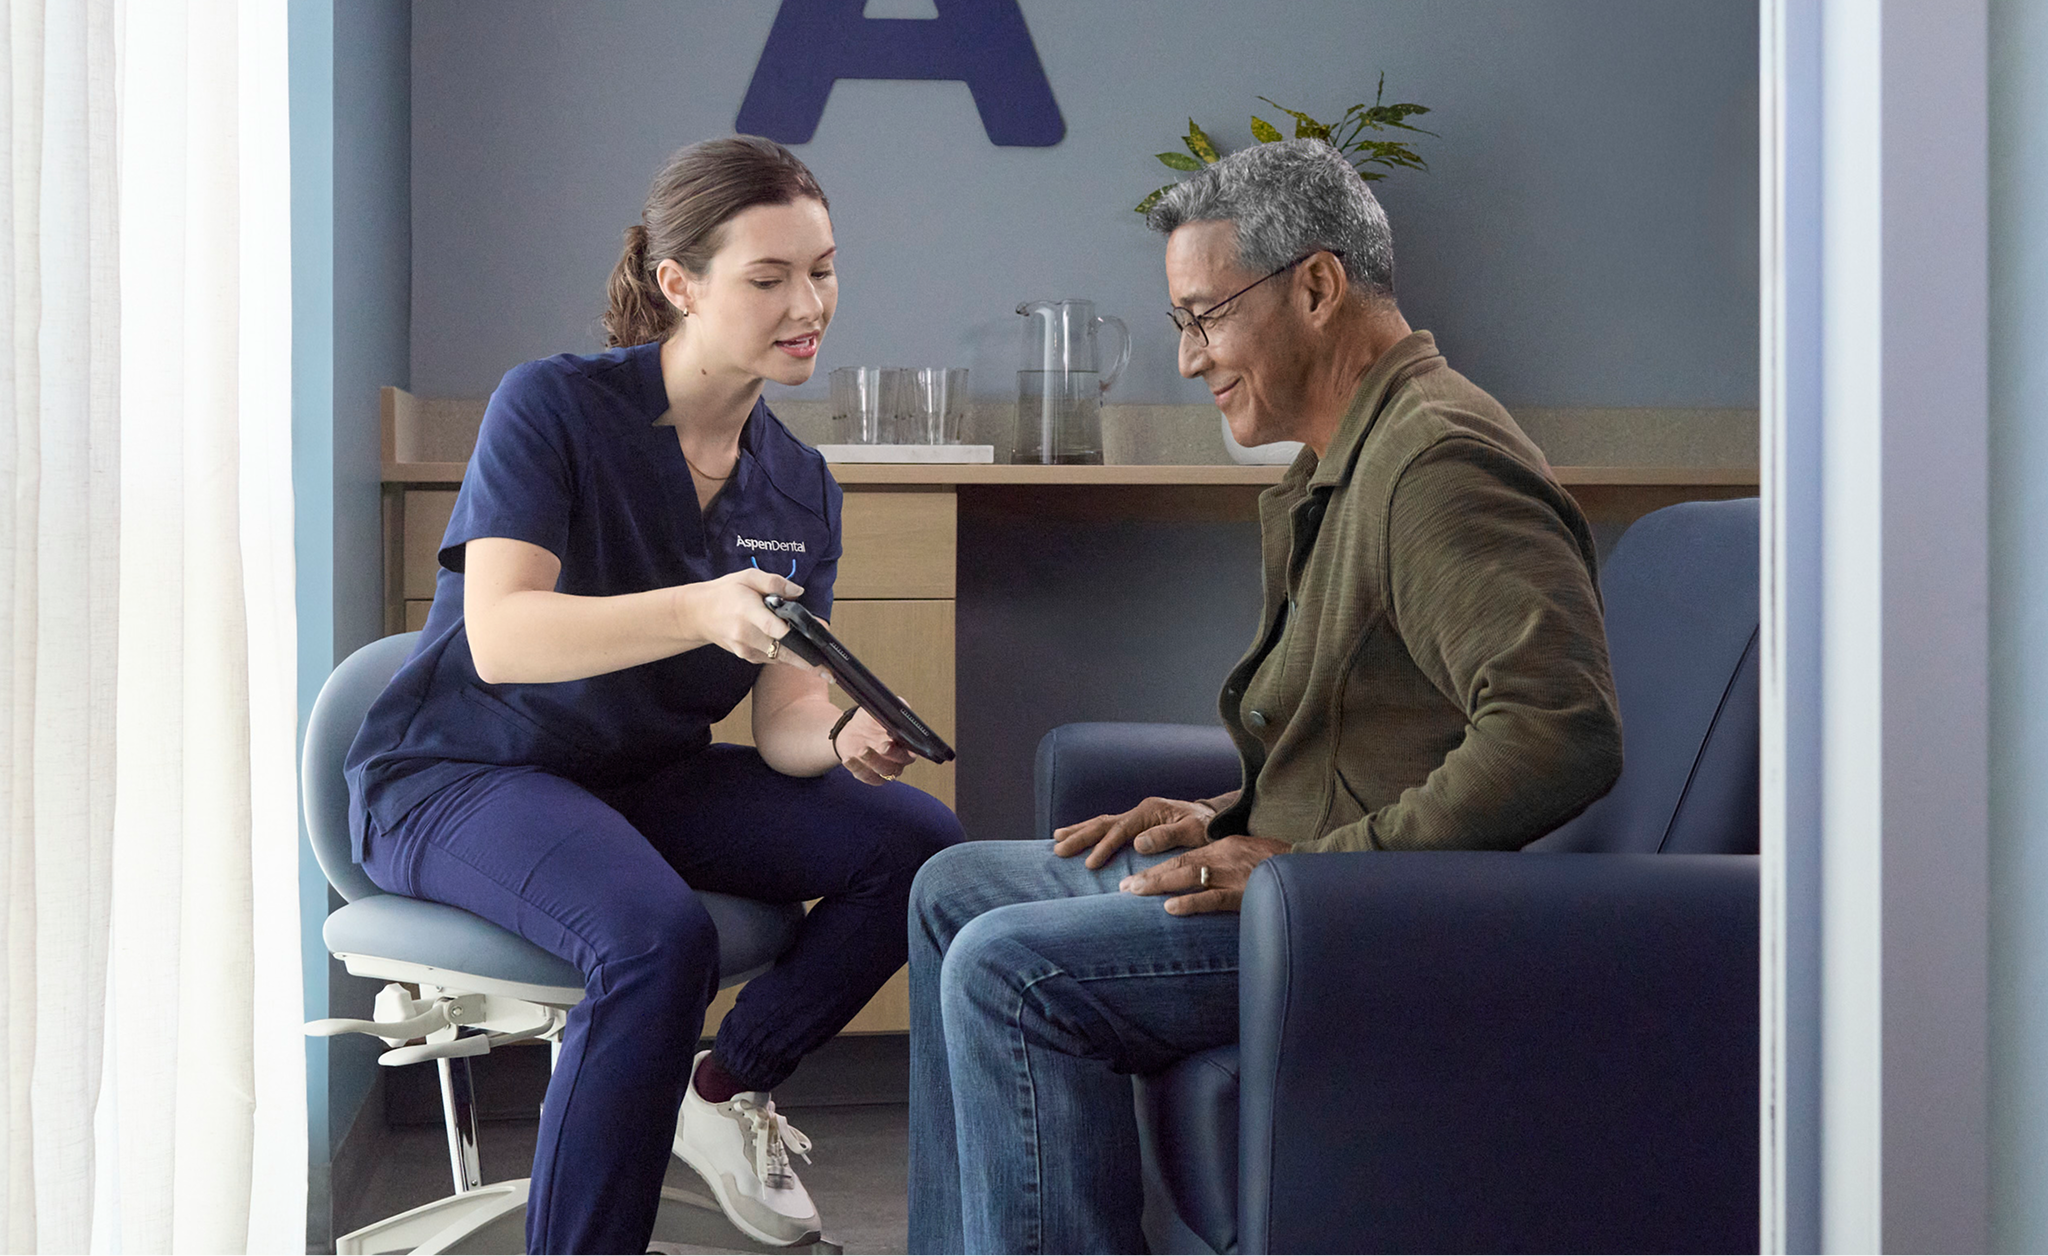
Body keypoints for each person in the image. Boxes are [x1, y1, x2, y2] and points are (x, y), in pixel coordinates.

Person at [906, 138, 1625, 1255]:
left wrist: (1301, 868)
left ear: (1318, 286)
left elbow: (1557, 729)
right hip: (1317, 886)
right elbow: (1374, 729)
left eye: (1204, 317)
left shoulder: (1434, 463)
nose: (1188, 360)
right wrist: (1221, 817)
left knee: (1011, 969)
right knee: (951, 886)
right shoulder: (1351, 452)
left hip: (1371, 923)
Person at [345, 135, 963, 1255]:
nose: (807, 302)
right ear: (678, 284)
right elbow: (501, 636)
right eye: (767, 278)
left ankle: (723, 1087)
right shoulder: (553, 408)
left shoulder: (799, 483)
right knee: (655, 937)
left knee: (918, 845)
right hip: (460, 774)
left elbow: (780, 724)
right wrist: (695, 607)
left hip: (638, 778)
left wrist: (843, 726)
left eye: (821, 268)